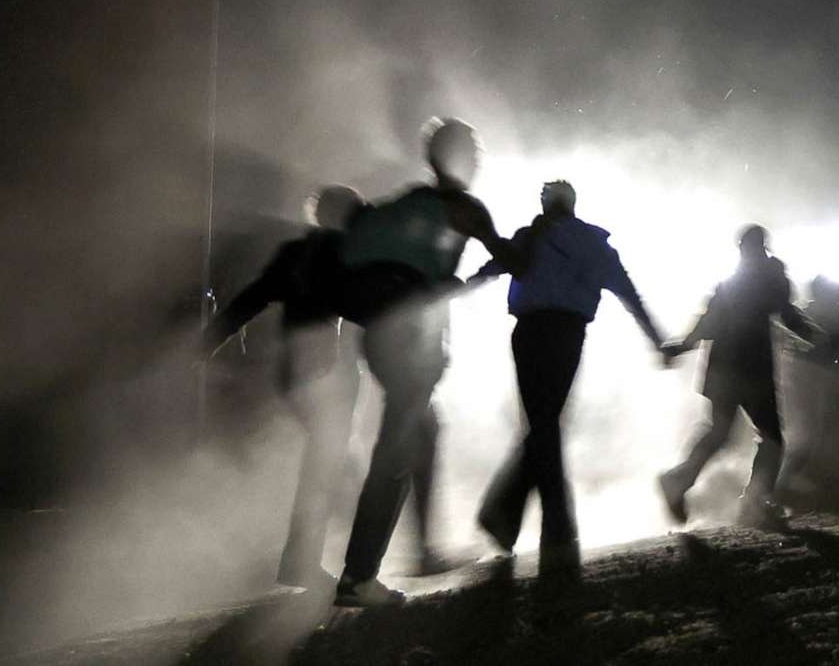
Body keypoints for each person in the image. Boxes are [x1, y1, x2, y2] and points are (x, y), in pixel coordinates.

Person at [327, 119, 508, 608]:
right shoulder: (464, 208)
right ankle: (358, 576)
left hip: (378, 338)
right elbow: (509, 257)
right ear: (462, 158)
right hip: (410, 344)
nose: (477, 159)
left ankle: (423, 551)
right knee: (395, 450)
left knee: (423, 434)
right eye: (473, 151)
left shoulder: (404, 205)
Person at [472, 180, 670, 567]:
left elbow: (495, 266)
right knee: (546, 423)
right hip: (568, 333)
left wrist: (452, 289)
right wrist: (657, 340)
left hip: (529, 331)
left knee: (542, 423)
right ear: (573, 204)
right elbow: (630, 296)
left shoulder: (532, 234)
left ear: (546, 203)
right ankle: (543, 525)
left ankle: (519, 519)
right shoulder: (594, 243)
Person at [210, 183, 366, 589]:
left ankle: (292, 556)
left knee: (325, 464)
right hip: (323, 372)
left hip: (293, 370)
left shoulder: (294, 254)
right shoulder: (345, 255)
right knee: (328, 466)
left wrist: (208, 341)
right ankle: (303, 559)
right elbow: (361, 308)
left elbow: (253, 298)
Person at [657, 226, 823, 531]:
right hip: (752, 370)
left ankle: (679, 481)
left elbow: (708, 323)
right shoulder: (769, 278)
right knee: (771, 437)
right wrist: (814, 335)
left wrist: (681, 347)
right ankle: (755, 501)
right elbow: (786, 313)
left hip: (724, 369)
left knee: (721, 432)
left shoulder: (732, 283)